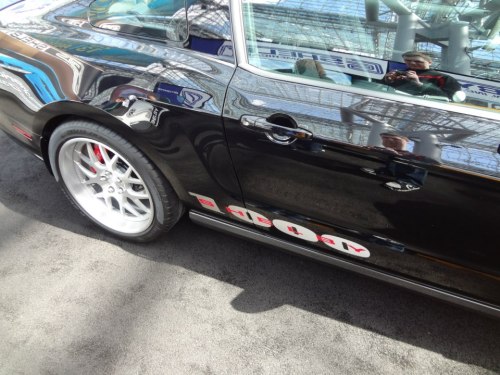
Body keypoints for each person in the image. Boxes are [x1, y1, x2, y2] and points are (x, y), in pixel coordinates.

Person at [384, 51, 464, 101]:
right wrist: (388, 81)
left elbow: (450, 99)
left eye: (417, 61)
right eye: (408, 60)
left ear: (429, 62)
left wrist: (419, 84)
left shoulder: (444, 78)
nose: (412, 63)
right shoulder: (398, 73)